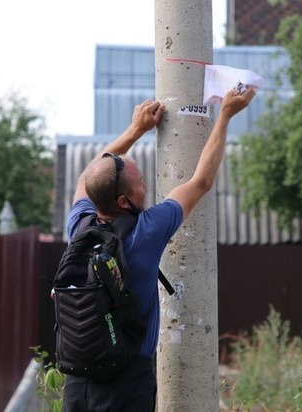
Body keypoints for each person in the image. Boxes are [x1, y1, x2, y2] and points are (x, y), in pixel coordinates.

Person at [62, 86, 256, 411]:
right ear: (124, 201)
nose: (146, 185)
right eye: (140, 182)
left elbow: (88, 178)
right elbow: (200, 182)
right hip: (126, 380)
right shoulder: (146, 232)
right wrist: (224, 116)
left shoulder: (79, 224)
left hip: (78, 380)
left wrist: (134, 130)